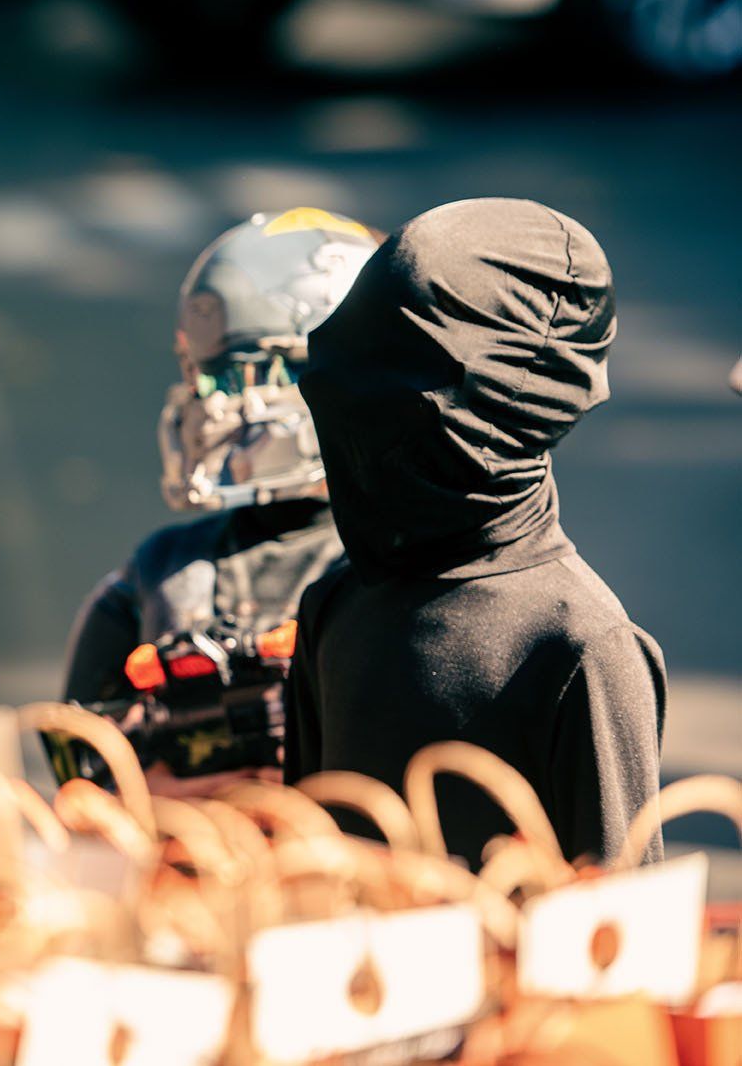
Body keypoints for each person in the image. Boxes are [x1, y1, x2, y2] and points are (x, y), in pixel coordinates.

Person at [285, 197, 665, 865]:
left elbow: (622, 936)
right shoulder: (335, 606)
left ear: (506, 408)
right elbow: (300, 863)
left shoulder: (581, 647)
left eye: (395, 401)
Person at [52, 209, 379, 788]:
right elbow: (74, 770)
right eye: (204, 377)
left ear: (326, 372)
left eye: (238, 376)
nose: (208, 404)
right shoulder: (160, 574)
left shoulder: (392, 568)